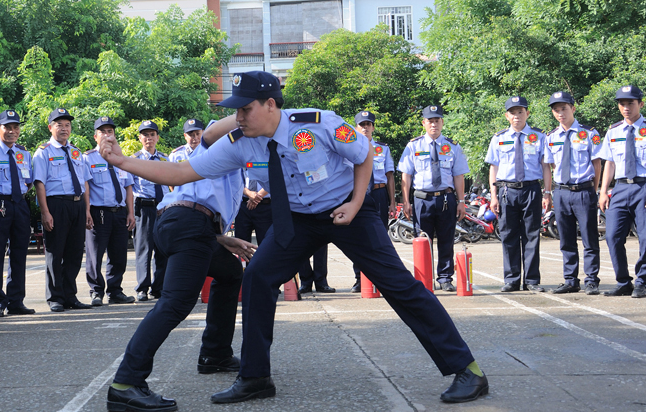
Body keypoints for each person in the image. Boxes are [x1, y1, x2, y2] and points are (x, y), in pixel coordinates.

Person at [99, 70, 489, 405]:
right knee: (257, 277)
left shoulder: (319, 124)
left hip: (347, 212)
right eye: (235, 110)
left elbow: (364, 155)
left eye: (245, 109)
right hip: (298, 220)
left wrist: (356, 203)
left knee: (399, 285)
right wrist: (120, 161)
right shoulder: (240, 143)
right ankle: (254, 377)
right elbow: (181, 173)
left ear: (271, 104)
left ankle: (466, 369)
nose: (238, 117)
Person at [103, 117, 256, 412]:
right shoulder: (222, 145)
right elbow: (211, 133)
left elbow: (203, 201)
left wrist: (220, 239)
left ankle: (215, 354)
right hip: (187, 224)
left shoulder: (241, 162)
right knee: (175, 304)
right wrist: (248, 109)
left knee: (230, 272)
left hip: (188, 224)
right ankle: (125, 384)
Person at [399, 105, 468, 292]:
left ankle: (445, 278)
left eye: (437, 120)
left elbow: (459, 175)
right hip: (422, 199)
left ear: (442, 122)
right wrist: (406, 201)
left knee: (446, 240)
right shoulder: (413, 146)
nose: (434, 124)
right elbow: (406, 175)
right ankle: (424, 279)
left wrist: (461, 202)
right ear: (424, 123)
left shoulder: (453, 146)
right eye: (430, 121)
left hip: (446, 198)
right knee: (423, 240)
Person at [486, 96, 552, 292]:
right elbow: (493, 168)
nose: (516, 116)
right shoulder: (498, 138)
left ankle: (531, 280)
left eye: (520, 112)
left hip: (531, 189)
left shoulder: (539, 137)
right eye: (512, 112)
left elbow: (546, 166)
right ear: (507, 116)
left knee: (532, 235)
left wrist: (547, 192)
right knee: (508, 235)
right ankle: (512, 279)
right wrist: (494, 195)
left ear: (527, 113)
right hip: (507, 191)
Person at [32, 108, 94, 312]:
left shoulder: (76, 152)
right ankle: (55, 297)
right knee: (55, 252)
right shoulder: (43, 152)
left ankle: (70, 296)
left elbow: (85, 182)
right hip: (56, 205)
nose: (64, 128)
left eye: (67, 125)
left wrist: (87, 210)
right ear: (50, 127)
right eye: (59, 125)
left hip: (77, 204)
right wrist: (45, 212)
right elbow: (39, 183)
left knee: (74, 253)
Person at [543, 91, 603, 295]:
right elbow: (550, 166)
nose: (560, 113)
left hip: (584, 190)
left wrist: (594, 190)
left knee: (589, 237)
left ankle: (592, 280)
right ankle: (570, 280)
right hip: (562, 192)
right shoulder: (550, 137)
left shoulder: (589, 133)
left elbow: (597, 163)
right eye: (556, 110)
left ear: (573, 108)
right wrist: (549, 192)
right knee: (566, 239)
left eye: (564, 108)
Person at [0, 110, 36, 316]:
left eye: (16, 127)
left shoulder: (24, 153)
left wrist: (18, 197)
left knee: (19, 252)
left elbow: (28, 181)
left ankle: (16, 301)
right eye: (8, 127)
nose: (12, 131)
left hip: (20, 204)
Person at [598, 85, 646, 298]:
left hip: (643, 186)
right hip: (620, 188)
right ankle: (623, 281)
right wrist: (603, 191)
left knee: (645, 237)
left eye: (630, 103)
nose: (626, 107)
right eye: (622, 104)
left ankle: (642, 281)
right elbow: (609, 163)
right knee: (612, 236)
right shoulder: (613, 131)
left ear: (640, 104)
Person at [84, 117, 136, 306]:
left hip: (120, 212)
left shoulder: (121, 158)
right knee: (95, 255)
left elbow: (128, 186)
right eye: (103, 132)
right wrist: (87, 211)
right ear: (95, 136)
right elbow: (86, 187)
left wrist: (131, 212)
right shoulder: (88, 158)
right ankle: (96, 291)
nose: (107, 135)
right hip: (99, 213)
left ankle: (115, 291)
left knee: (119, 254)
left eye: (110, 131)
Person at [352, 110, 395, 293]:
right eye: (362, 125)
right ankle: (359, 278)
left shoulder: (382, 149)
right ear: (356, 127)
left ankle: (381, 277)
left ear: (373, 128)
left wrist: (392, 201)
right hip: (357, 195)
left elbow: (390, 176)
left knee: (380, 236)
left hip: (378, 194)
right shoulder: (350, 148)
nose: (365, 128)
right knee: (357, 236)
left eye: (368, 124)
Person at [132, 120, 169, 301]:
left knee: (162, 248)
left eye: (152, 135)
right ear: (140, 138)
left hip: (163, 207)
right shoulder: (134, 160)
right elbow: (128, 186)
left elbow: (171, 183)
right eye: (145, 135)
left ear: (157, 138)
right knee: (144, 248)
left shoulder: (164, 159)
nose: (149, 138)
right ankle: (142, 288)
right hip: (145, 207)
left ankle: (159, 287)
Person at [234, 173, 271, 245]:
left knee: (265, 243)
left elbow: (274, 179)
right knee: (241, 243)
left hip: (264, 206)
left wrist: (256, 197)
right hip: (243, 205)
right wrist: (249, 193)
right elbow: (235, 181)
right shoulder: (242, 165)